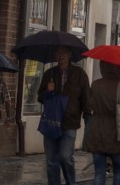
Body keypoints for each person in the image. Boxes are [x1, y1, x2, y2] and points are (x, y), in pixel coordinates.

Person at [38, 45, 92, 185]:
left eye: (63, 53)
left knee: (65, 156)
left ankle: (70, 182)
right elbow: (40, 97)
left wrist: (88, 120)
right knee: (51, 160)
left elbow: (86, 98)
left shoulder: (80, 74)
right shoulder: (49, 74)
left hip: (70, 122)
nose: (60, 56)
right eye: (58, 53)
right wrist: (47, 92)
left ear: (69, 55)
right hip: (51, 121)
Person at [83, 61, 120, 185]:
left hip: (98, 131)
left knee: (99, 172)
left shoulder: (95, 85)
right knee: (119, 171)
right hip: (117, 133)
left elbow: (89, 105)